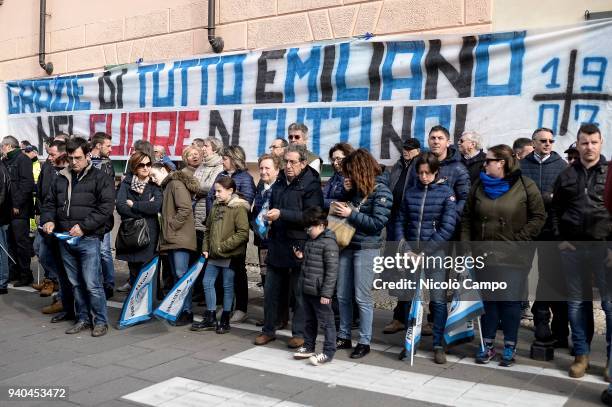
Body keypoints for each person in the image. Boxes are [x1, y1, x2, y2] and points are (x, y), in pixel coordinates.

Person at [461, 144, 545, 367]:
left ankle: (509, 346)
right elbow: (467, 217)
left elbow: (538, 216)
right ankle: (487, 346)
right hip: (483, 254)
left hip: (513, 256)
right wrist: (466, 246)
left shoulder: (525, 186)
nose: (484, 164)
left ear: (502, 163)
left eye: (488, 160)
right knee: (489, 302)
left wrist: (518, 240)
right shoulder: (479, 184)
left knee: (509, 302)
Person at [551, 123, 612, 380]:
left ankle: (611, 361)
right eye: (584, 142)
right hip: (573, 249)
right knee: (576, 304)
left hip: (604, 250)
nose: (589, 147)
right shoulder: (566, 175)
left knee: (609, 305)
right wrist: (560, 239)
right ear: (577, 144)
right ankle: (581, 355)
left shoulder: (610, 174)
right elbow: (555, 210)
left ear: (601, 143)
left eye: (593, 142)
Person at [41, 137, 116, 337]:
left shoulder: (100, 178)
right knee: (75, 283)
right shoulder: (60, 177)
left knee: (92, 283)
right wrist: (48, 220)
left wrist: (83, 227)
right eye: (71, 158)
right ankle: (82, 318)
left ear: (87, 155)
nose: (74, 162)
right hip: (65, 238)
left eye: (78, 158)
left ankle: (100, 321)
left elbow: (105, 208)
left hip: (89, 238)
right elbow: (49, 204)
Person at [254, 144, 324, 348]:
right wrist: (266, 220)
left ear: (303, 163)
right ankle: (268, 329)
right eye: (286, 161)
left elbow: (314, 216)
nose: (288, 165)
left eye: (293, 162)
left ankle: (299, 333)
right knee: (271, 290)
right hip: (277, 242)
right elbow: (272, 206)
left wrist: (283, 214)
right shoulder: (280, 182)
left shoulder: (311, 184)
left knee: (299, 292)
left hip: (299, 244)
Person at [395, 152, 457, 364]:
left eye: (427, 173)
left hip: (434, 254)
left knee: (438, 300)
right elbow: (400, 221)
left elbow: (447, 227)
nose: (423, 177)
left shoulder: (446, 193)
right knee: (410, 299)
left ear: (436, 172)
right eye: (420, 173)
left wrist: (425, 252)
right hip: (411, 254)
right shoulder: (411, 193)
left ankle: (439, 343)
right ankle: (410, 341)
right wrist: (406, 249)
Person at [333, 148, 393, 359]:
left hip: (367, 248)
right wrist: (347, 192)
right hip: (347, 245)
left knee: (362, 296)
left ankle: (364, 341)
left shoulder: (382, 191)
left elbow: (377, 224)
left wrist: (352, 214)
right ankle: (344, 335)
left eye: (350, 172)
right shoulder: (356, 189)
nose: (348, 176)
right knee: (342, 294)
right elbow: (344, 206)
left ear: (360, 170)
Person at [520, 127, 569, 347]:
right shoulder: (522, 166)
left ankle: (542, 318)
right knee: (520, 271)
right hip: (527, 229)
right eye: (543, 140)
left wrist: (550, 200)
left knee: (547, 276)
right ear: (534, 142)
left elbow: (566, 198)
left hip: (550, 230)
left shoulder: (561, 166)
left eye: (551, 140)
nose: (548, 144)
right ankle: (512, 315)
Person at [191, 176, 249, 334]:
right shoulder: (216, 205)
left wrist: (222, 247)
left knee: (227, 286)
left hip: (228, 254)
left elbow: (243, 234)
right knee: (207, 283)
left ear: (230, 191)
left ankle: (224, 319)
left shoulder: (238, 208)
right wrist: (206, 247)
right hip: (214, 254)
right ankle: (210, 317)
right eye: (215, 191)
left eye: (219, 191)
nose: (215, 194)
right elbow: (208, 229)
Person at [208, 145, 256, 323]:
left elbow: (246, 202)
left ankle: (241, 308)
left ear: (234, 159)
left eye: (225, 158)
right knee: (220, 271)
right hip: (217, 227)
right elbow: (210, 198)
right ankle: (224, 305)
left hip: (234, 231)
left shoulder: (245, 178)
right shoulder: (221, 176)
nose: (222, 161)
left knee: (238, 270)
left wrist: (229, 203)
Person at [150, 162, 199, 326]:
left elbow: (185, 209)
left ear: (163, 170)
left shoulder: (175, 184)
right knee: (178, 275)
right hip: (174, 238)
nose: (152, 179)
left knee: (181, 275)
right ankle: (180, 310)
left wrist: (171, 226)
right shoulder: (168, 185)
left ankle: (186, 311)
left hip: (179, 238)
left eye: (154, 175)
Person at [292, 206, 339, 366]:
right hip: (307, 288)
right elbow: (310, 264)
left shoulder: (329, 243)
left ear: (321, 225)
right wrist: (301, 257)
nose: (307, 230)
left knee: (327, 323)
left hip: (320, 292)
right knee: (309, 320)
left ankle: (328, 351)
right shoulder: (311, 241)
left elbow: (332, 271)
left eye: (309, 227)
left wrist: (327, 294)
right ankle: (309, 346)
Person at [115, 152, 162, 287]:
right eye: (141, 165)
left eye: (148, 164)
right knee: (134, 269)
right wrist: (143, 212)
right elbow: (120, 206)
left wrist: (134, 205)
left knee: (149, 270)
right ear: (135, 167)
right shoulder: (126, 183)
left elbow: (156, 206)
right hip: (132, 232)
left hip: (150, 232)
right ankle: (134, 303)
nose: (146, 168)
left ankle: (149, 303)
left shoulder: (154, 184)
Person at [2, 136, 35, 286]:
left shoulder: (23, 160)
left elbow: (27, 185)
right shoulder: (5, 161)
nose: (1, 149)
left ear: (8, 146)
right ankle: (13, 272)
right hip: (7, 210)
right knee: (10, 243)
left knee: (21, 243)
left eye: (2, 146)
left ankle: (25, 274)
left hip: (19, 210)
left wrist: (17, 204)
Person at [89, 132, 115, 299]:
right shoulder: (84, 161)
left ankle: (109, 284)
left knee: (105, 251)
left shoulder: (108, 164)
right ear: (98, 146)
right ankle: (94, 284)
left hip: (103, 214)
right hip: (87, 213)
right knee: (92, 251)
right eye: (108, 146)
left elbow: (109, 190)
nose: (111, 149)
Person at [193, 137, 223, 241]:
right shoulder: (202, 165)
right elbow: (194, 182)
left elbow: (210, 187)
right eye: (203, 146)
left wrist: (193, 187)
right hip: (196, 211)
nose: (203, 148)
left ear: (215, 149)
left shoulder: (219, 166)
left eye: (206, 146)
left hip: (207, 211)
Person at [323, 143, 354, 209]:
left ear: (349, 158)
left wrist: (330, 202)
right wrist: (336, 203)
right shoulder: (335, 176)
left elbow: (348, 203)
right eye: (333, 160)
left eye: (338, 159)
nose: (335, 163)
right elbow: (321, 199)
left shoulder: (354, 177)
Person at [0, 157, 11, 295]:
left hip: (1, 217)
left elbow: (1, 195)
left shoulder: (1, 169)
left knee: (1, 250)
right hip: (2, 215)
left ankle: (2, 282)